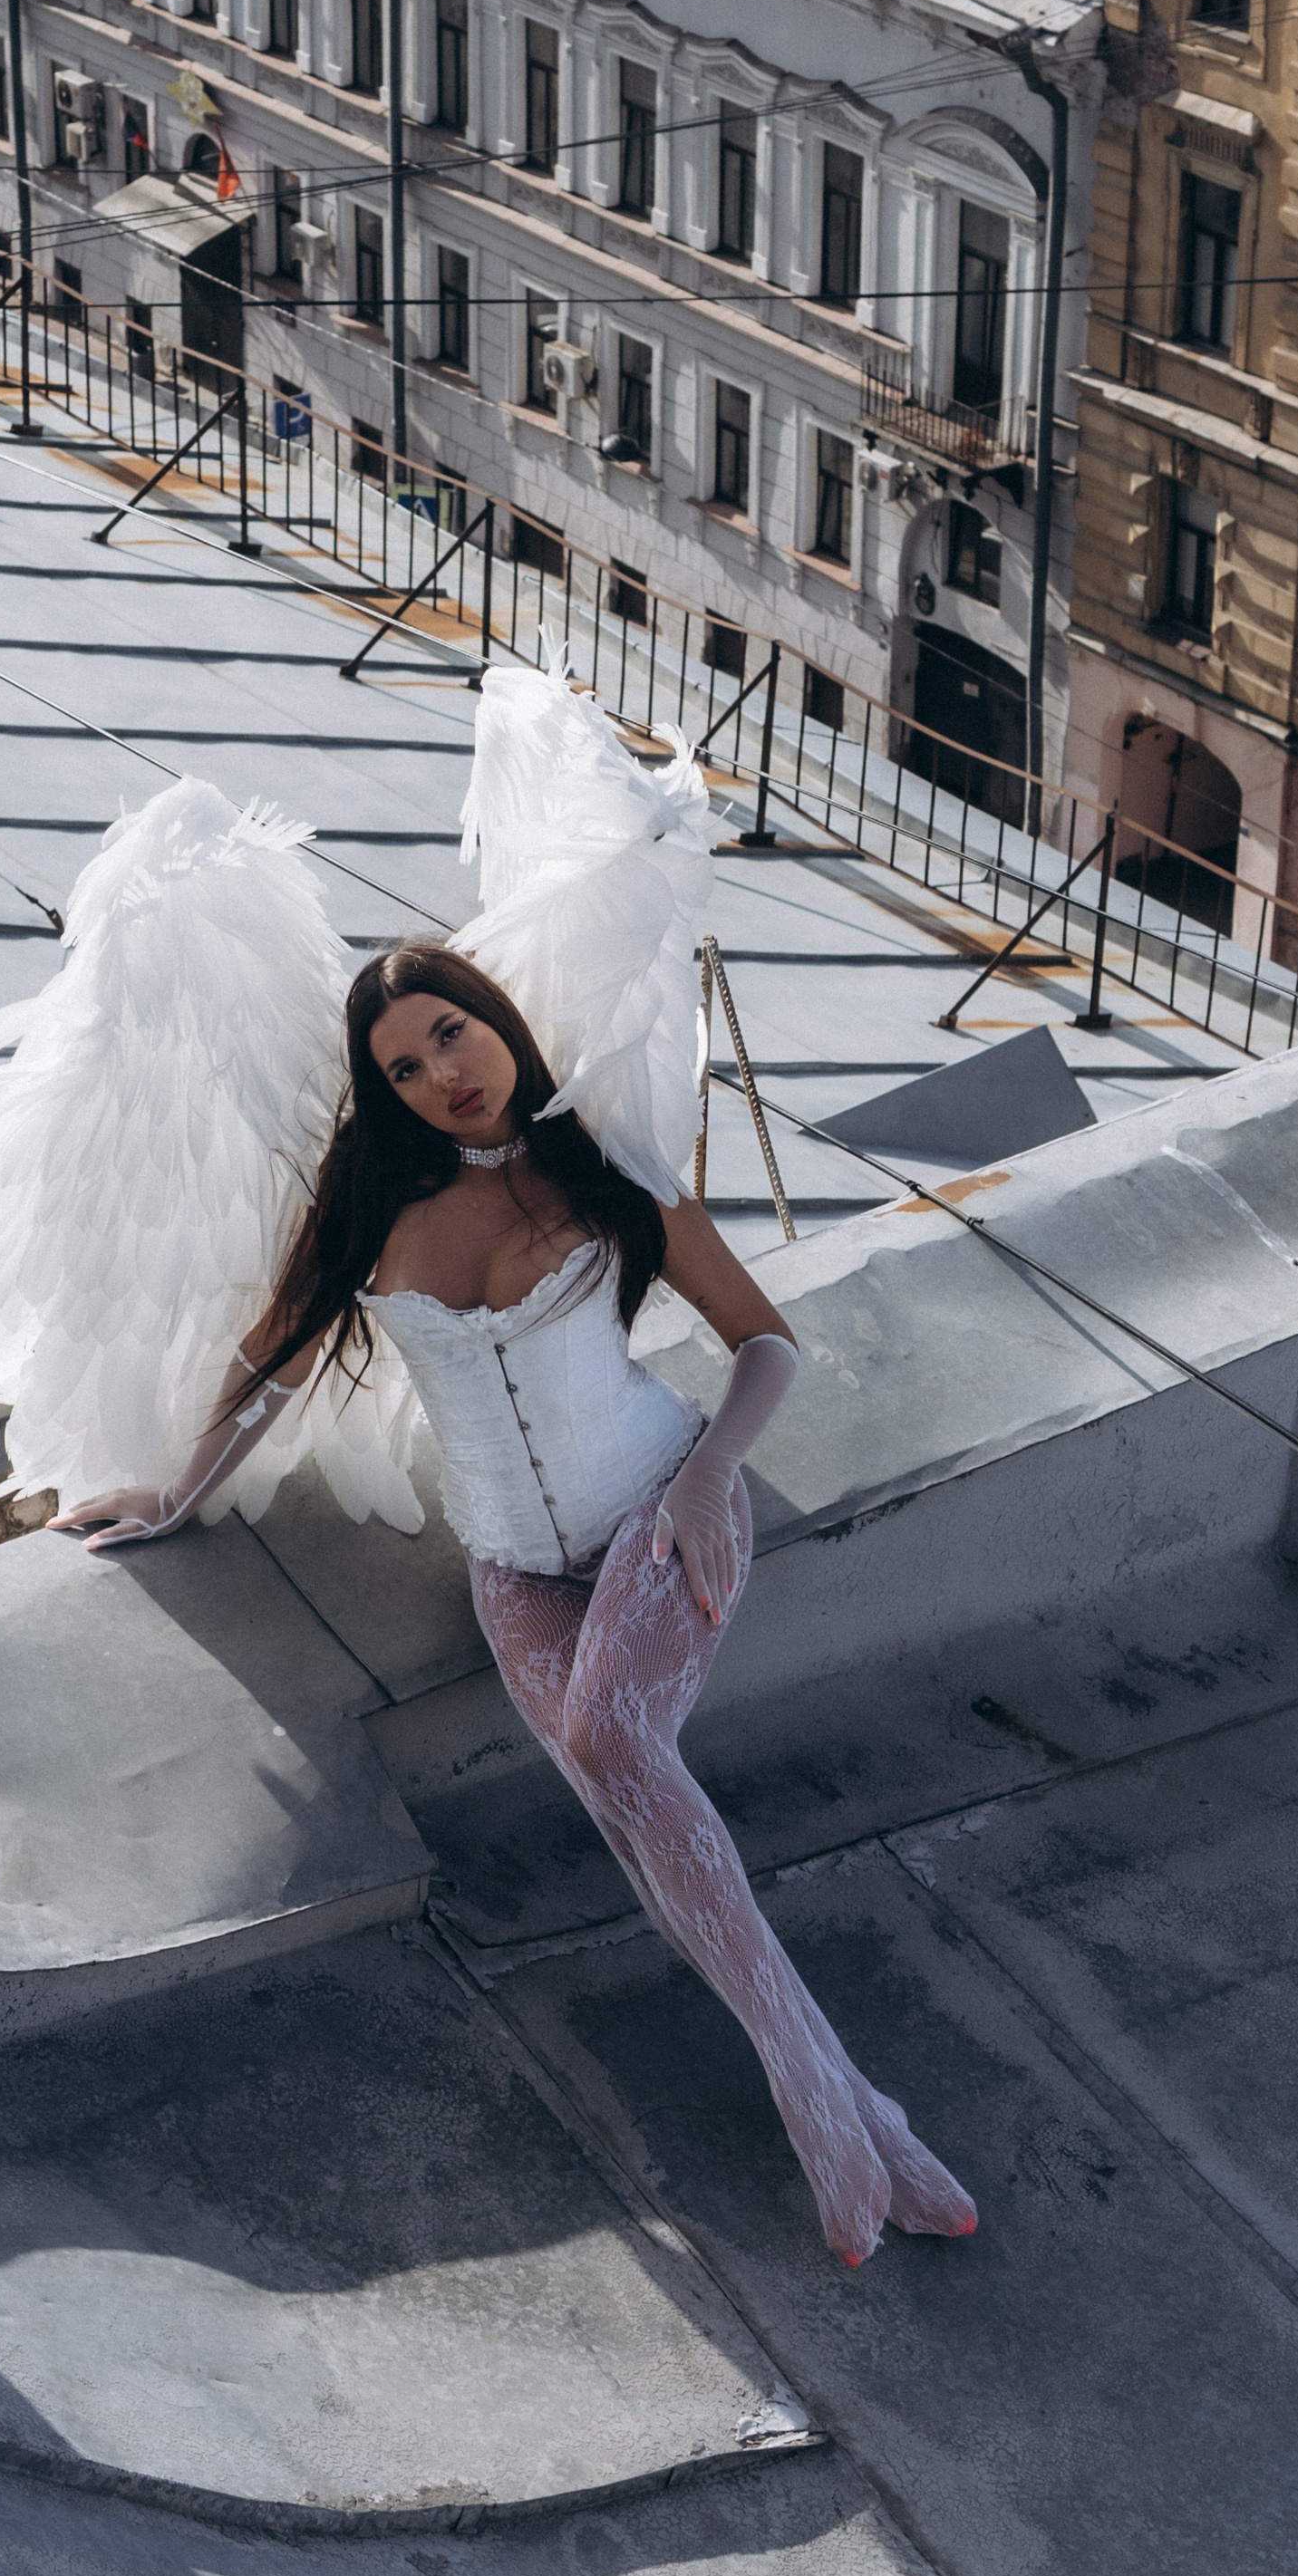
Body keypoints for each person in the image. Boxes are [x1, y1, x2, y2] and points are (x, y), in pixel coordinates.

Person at [53, 941, 977, 2269]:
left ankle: (815, 2103)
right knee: (638, 1821)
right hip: (511, 1566)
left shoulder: (601, 1158)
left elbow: (763, 1337)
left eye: (452, 1033)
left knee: (611, 1743)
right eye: (406, 1066)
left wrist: (714, 1471)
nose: (442, 1074)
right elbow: (272, 1357)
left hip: (658, 1512)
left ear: (499, 1018)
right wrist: (175, 1496)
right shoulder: (369, 1203)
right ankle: (853, 2100)